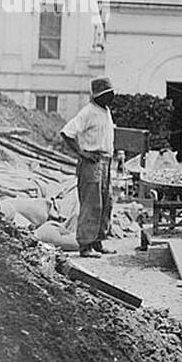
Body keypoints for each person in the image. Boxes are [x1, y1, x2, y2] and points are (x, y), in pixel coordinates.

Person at [60, 77, 117, 257]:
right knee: (91, 204)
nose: (111, 97)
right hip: (92, 162)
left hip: (106, 162)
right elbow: (67, 132)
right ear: (98, 96)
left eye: (111, 93)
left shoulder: (105, 111)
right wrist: (81, 153)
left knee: (106, 202)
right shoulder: (88, 112)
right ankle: (85, 245)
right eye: (107, 94)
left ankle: (98, 241)